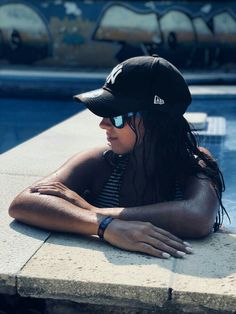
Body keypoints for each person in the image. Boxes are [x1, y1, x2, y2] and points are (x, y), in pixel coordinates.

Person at [8, 55, 229, 259]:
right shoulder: (101, 162)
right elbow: (23, 202)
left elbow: (198, 217)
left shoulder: (193, 162)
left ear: (155, 121)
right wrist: (105, 226)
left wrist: (95, 211)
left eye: (116, 116)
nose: (103, 124)